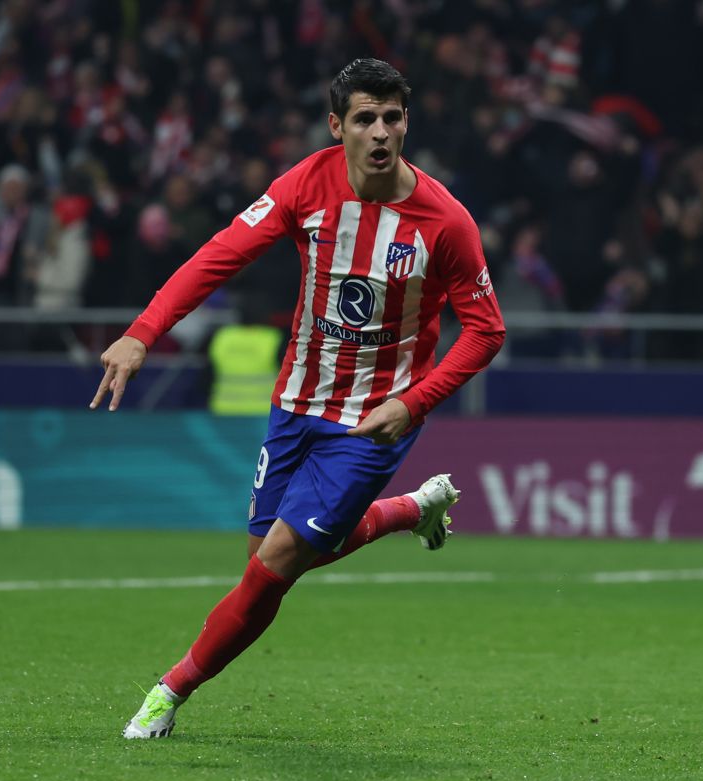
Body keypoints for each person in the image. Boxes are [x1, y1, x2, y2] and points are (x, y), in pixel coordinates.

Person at [88, 58, 506, 739]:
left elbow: (486, 331)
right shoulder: (304, 185)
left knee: (275, 566)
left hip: (374, 420)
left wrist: (414, 403)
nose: (380, 133)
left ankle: (168, 693)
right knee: (268, 560)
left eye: (392, 118)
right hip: (296, 401)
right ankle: (410, 510)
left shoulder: (445, 221)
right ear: (337, 126)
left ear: (407, 123)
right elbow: (220, 254)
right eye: (365, 119)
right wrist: (142, 333)